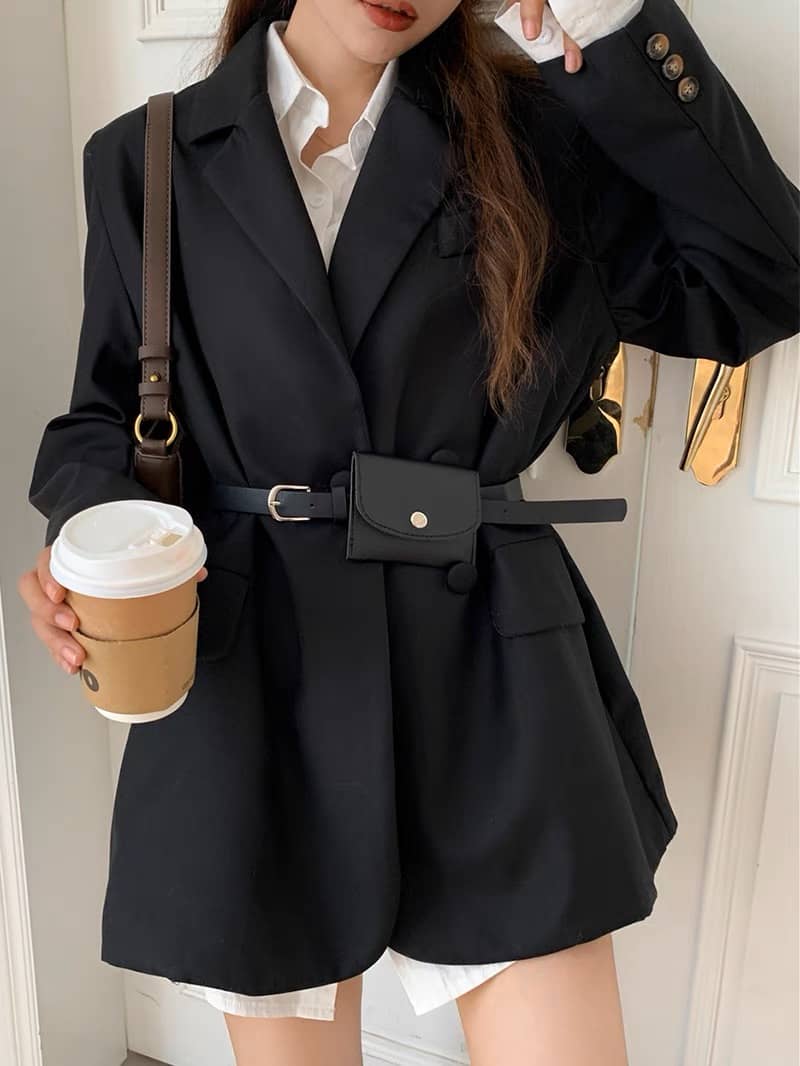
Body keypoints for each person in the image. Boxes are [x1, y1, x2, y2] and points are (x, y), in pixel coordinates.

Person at [18, 0, 800, 1063]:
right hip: (255, 679)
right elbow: (104, 418)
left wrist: (613, 27)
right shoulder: (146, 156)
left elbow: (757, 280)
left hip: (492, 674)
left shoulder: (543, 140)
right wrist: (88, 540)